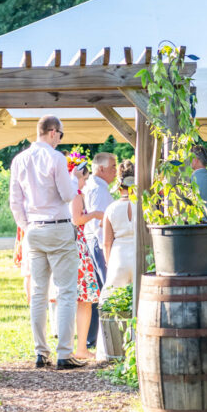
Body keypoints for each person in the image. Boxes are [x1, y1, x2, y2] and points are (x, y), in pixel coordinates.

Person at [9, 115, 86, 370]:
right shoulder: (56, 159)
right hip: (58, 227)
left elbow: (14, 201)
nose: (60, 139)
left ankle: (41, 352)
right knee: (65, 291)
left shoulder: (19, 160)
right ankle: (64, 352)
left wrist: (26, 226)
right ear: (53, 133)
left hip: (34, 229)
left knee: (39, 293)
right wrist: (75, 178)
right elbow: (66, 194)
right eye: (61, 135)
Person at [82, 152, 117, 349]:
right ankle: (103, 337)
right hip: (100, 242)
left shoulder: (99, 187)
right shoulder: (97, 189)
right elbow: (98, 224)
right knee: (106, 287)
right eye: (112, 166)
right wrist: (107, 249)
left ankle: (94, 338)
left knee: (100, 289)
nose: (115, 170)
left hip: (99, 241)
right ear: (101, 168)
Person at [70, 160, 102, 360]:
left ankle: (76, 346)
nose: (85, 183)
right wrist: (95, 214)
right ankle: (81, 347)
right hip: (78, 246)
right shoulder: (76, 196)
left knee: (75, 299)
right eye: (84, 178)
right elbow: (77, 219)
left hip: (68, 245)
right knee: (85, 299)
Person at [102, 162, 136, 299]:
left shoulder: (111, 208)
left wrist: (109, 263)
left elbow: (106, 242)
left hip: (118, 256)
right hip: (139, 254)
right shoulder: (144, 206)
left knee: (113, 301)